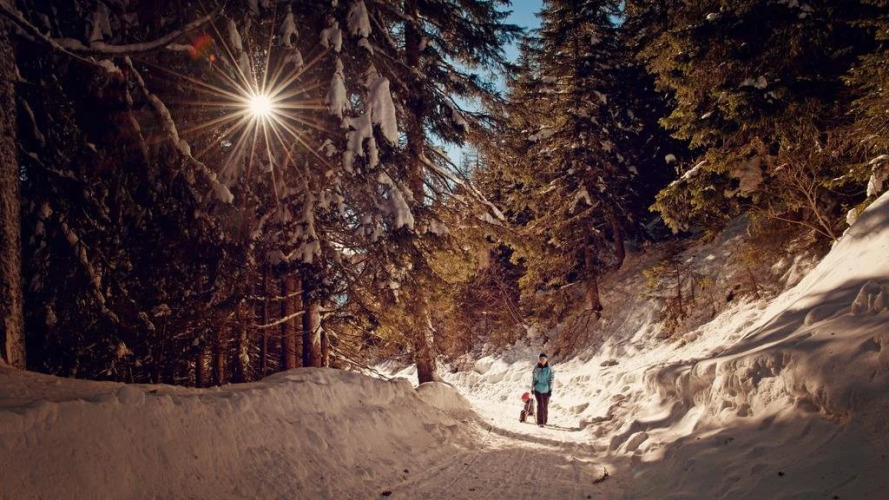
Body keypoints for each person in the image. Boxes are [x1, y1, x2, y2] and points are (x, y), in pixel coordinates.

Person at [531, 352, 554, 427]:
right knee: (540, 405)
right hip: (537, 389)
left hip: (546, 389)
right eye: (541, 359)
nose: (542, 360)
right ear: (539, 360)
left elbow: (551, 380)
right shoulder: (536, 369)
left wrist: (550, 390)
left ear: (546, 359)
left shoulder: (549, 369)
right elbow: (534, 379)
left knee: (545, 405)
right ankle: (540, 422)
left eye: (544, 359)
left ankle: (545, 420)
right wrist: (532, 388)